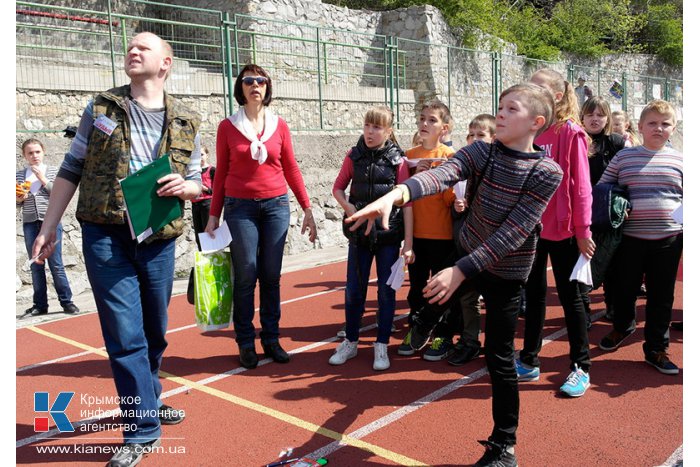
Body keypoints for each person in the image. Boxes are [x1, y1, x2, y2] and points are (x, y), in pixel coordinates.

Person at [346, 83, 562, 467]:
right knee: (432, 297)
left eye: (512, 109)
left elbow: (514, 232)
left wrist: (461, 270)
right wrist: (395, 195)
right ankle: (428, 322)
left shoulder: (547, 172)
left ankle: (503, 447)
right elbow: (440, 175)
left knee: (498, 360)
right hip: (468, 250)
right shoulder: (482, 151)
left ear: (536, 123)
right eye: (500, 105)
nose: (501, 113)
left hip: (507, 272)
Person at [31, 32, 200, 465]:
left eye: (144, 47)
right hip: (105, 235)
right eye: (130, 46)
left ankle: (150, 396)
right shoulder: (102, 107)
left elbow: (201, 179)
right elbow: (71, 165)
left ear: (166, 63)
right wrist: (49, 227)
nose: (133, 50)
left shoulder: (186, 119)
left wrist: (190, 186)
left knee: (154, 333)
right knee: (125, 338)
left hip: (158, 236)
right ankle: (141, 430)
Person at [206, 64, 317, 370]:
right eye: (249, 81)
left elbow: (291, 167)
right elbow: (221, 173)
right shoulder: (227, 127)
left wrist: (306, 207)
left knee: (271, 275)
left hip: (276, 207)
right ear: (240, 88)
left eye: (261, 81)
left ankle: (271, 338)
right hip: (240, 208)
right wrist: (214, 215)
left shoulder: (279, 125)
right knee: (246, 274)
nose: (256, 85)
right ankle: (245, 341)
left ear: (268, 88)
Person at [516, 68, 594, 398]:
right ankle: (529, 359)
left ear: (557, 96)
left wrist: (583, 230)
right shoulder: (529, 130)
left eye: (538, 87)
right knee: (533, 298)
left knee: (570, 297)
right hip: (533, 228)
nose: (530, 91)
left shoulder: (569, 132)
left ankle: (581, 366)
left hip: (564, 231)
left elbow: (581, 187)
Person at [597, 100, 683, 375]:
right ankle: (623, 327)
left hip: (668, 241)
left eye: (665, 123)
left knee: (661, 296)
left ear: (674, 127)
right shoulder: (624, 157)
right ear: (641, 126)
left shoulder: (683, 160)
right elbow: (603, 189)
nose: (659, 128)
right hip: (629, 240)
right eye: (653, 123)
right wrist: (618, 204)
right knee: (625, 289)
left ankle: (656, 348)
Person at [329, 105, 413, 371]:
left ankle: (381, 345)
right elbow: (338, 187)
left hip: (388, 237)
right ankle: (351, 342)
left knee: (386, 293)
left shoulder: (398, 160)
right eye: (367, 125)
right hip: (359, 237)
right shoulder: (353, 156)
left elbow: (407, 203)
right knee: (354, 291)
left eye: (377, 127)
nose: (370, 131)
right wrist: (348, 208)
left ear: (388, 131)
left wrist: (408, 243)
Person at [396, 100, 457, 361]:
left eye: (431, 120)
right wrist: (415, 178)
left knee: (440, 289)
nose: (424, 124)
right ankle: (416, 330)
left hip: (444, 236)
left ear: (444, 128)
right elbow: (402, 199)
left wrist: (439, 179)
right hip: (417, 234)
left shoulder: (450, 157)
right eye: (422, 118)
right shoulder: (409, 154)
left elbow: (452, 200)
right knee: (417, 288)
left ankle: (443, 335)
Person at [447, 114, 495, 366]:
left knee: (496, 297)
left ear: (493, 139)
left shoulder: (497, 167)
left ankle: (495, 345)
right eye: (471, 135)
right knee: (467, 295)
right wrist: (457, 207)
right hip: (466, 242)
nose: (475, 140)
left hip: (492, 245)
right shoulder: (463, 166)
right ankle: (470, 341)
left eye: (481, 135)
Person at [17, 138, 79, 317]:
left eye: (37, 152)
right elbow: (17, 202)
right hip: (30, 222)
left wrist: (42, 179)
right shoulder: (19, 175)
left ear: (43, 152)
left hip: (50, 222)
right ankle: (40, 305)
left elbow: (59, 193)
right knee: (35, 265)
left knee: (56, 264)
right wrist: (19, 199)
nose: (34, 155)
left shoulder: (53, 172)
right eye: (30, 153)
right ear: (24, 156)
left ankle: (67, 302)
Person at [579, 96, 626, 321]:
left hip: (609, 212)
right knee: (582, 261)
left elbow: (626, 178)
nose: (595, 119)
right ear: (582, 117)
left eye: (600, 114)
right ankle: (583, 311)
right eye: (590, 114)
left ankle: (613, 305)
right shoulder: (577, 140)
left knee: (614, 263)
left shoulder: (616, 142)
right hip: (581, 212)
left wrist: (626, 205)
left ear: (607, 118)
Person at [190, 145, 215, 250]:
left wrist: (204, 188)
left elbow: (217, 191)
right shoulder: (193, 172)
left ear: (207, 155)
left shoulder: (212, 170)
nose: (200, 157)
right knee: (198, 235)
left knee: (208, 233)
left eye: (202, 154)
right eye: (197, 155)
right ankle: (202, 258)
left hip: (207, 204)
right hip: (195, 204)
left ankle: (213, 257)